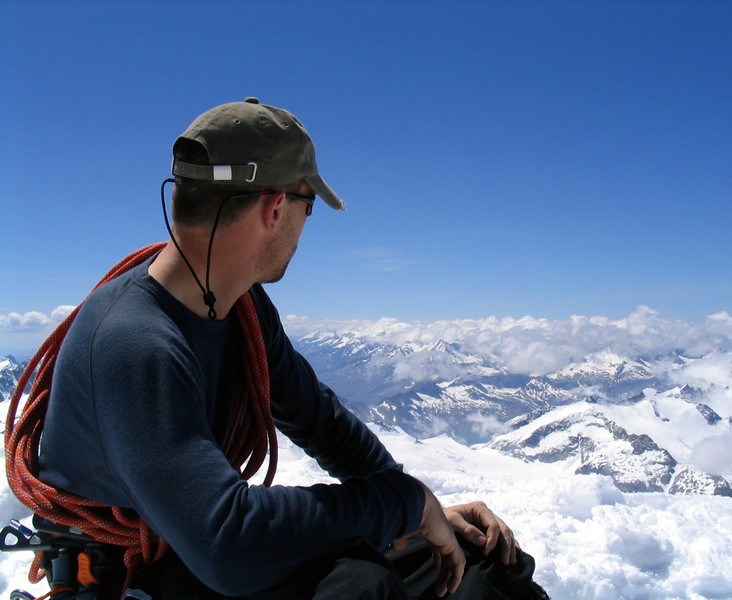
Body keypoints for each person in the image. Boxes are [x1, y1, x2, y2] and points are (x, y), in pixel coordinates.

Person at [34, 97, 546, 599]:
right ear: (277, 206)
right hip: (138, 570)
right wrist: (399, 504)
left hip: (196, 543)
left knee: (484, 561)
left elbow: (320, 421)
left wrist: (420, 508)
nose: (306, 225)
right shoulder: (135, 343)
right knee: (359, 587)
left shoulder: (241, 307)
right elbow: (227, 545)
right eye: (309, 206)